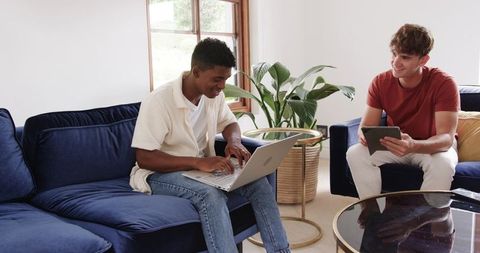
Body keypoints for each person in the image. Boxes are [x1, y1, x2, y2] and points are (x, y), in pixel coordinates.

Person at [129, 38, 290, 253]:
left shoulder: (213, 96)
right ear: (196, 72)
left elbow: (230, 122)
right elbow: (144, 157)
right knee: (210, 196)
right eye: (217, 79)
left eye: (225, 79)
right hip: (158, 174)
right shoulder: (159, 100)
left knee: (258, 183)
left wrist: (234, 142)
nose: (222, 86)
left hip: (201, 170)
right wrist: (198, 162)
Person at [347, 24, 460, 199]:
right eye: (394, 53)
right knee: (355, 153)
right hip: (396, 145)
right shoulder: (380, 82)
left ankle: (429, 221)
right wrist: (365, 136)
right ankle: (372, 216)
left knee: (443, 164)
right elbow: (366, 126)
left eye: (405, 57)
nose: (396, 62)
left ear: (423, 60)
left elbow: (446, 139)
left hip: (433, 147)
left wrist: (414, 145)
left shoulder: (444, 83)